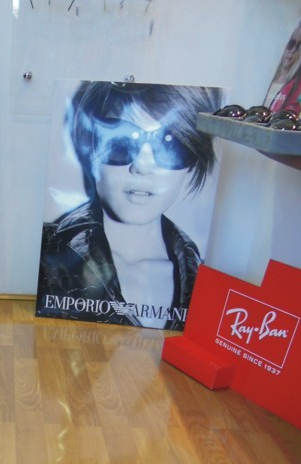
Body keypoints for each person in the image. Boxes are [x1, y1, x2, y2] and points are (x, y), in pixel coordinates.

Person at [36, 82, 222, 329]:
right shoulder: (47, 259)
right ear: (90, 145)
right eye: (121, 140)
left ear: (194, 154)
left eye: (168, 143)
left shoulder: (205, 282)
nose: (141, 166)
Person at [264, 17, 301, 112]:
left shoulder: (300, 88)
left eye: (299, 46)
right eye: (291, 44)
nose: (292, 50)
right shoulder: (266, 79)